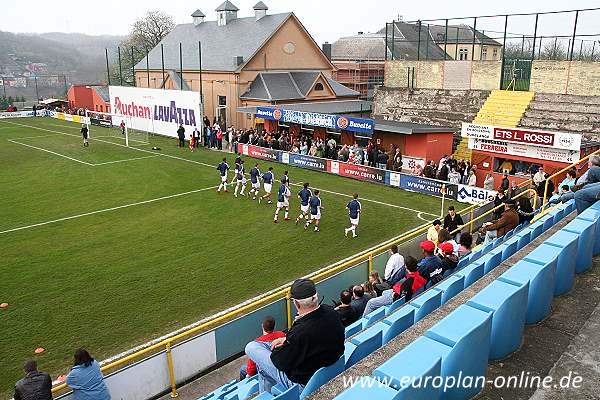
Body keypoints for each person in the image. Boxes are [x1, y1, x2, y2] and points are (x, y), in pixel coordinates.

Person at [244, 278, 344, 393]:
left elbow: (280, 362)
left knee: (251, 347)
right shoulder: (331, 312)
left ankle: (266, 394)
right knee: (263, 366)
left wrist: (286, 344)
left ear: (296, 303)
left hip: (304, 383)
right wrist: (286, 339)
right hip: (331, 368)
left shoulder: (300, 332)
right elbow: (316, 333)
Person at [240, 316, 285, 381]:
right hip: (278, 366)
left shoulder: (257, 343)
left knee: (242, 369)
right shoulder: (281, 334)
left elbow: (252, 366)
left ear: (262, 326)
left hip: (266, 371)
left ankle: (242, 384)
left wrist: (248, 377)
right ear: (273, 326)